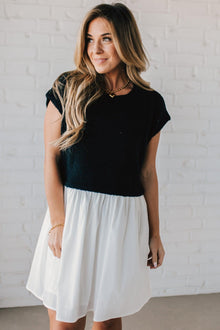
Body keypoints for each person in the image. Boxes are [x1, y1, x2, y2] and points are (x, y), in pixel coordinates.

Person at [26, 3, 171, 330]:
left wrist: (155, 233)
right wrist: (58, 222)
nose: (96, 48)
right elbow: (50, 158)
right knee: (66, 320)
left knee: (107, 320)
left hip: (120, 222)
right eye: (90, 39)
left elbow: (147, 172)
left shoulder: (150, 104)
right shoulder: (68, 88)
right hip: (72, 216)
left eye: (107, 38)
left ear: (126, 40)